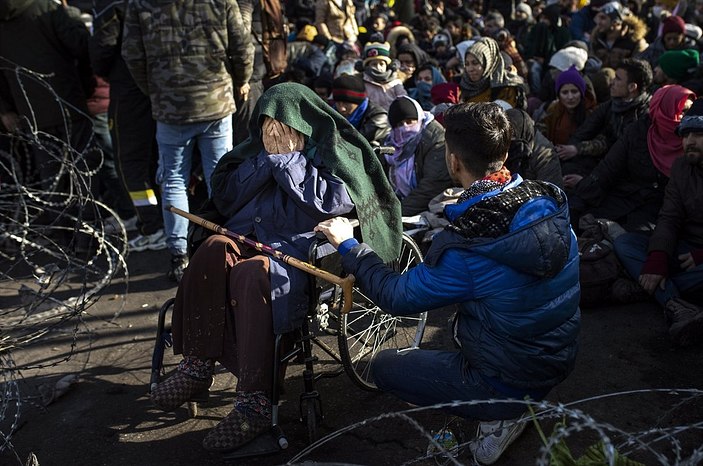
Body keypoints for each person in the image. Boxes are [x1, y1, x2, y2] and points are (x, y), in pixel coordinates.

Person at [315, 102, 580, 466]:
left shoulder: (471, 243)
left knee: (384, 367)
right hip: (556, 360)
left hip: (507, 379)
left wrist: (349, 245)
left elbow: (397, 296)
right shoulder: (548, 201)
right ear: (503, 155)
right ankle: (515, 399)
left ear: (453, 162)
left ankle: (500, 415)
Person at [149, 83, 402, 452]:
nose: (272, 131)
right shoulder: (252, 153)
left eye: (280, 123)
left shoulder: (333, 154)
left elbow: (332, 204)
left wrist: (289, 160)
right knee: (212, 249)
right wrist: (266, 159)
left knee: (252, 275)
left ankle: (255, 401)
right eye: (266, 122)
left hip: (293, 252)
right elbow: (227, 197)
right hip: (243, 239)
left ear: (303, 123)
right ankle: (197, 366)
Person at [122, 0, 254, 281]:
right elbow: (242, 45)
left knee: (172, 179)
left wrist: (155, 89)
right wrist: (242, 79)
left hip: (170, 107)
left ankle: (179, 254)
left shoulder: (140, 4)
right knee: (220, 175)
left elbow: (132, 54)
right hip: (216, 100)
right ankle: (226, 244)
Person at [614, 98, 703, 346]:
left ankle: (651, 288)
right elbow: (669, 217)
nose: (689, 142)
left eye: (697, 134)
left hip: (699, 259)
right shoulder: (682, 168)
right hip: (683, 249)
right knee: (626, 244)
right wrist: (658, 257)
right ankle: (677, 304)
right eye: (685, 135)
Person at [566, 84, 696, 233]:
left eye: (690, 112)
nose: (687, 118)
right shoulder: (638, 132)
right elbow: (607, 170)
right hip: (624, 201)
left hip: (661, 219)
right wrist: (578, 200)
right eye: (682, 111)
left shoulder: (694, 144)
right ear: (664, 110)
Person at [90, 0, 166, 251]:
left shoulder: (112, 6)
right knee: (160, 157)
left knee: (130, 162)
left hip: (129, 87)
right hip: (163, 86)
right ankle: (165, 223)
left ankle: (152, 226)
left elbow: (102, 48)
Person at [558, 58, 653, 178]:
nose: (611, 82)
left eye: (617, 78)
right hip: (602, 165)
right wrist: (571, 149)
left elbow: (623, 158)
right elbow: (584, 131)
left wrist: (587, 180)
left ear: (632, 87)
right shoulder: (610, 105)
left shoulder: (644, 117)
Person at [384, 95, 453, 216]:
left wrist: (397, 214)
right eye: (399, 124)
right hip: (401, 203)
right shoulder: (390, 145)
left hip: (429, 206)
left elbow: (432, 186)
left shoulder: (435, 140)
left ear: (419, 118)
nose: (405, 127)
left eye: (410, 121)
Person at [536, 65, 597, 148]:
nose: (570, 97)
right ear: (559, 95)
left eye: (574, 91)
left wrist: (577, 149)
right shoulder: (553, 110)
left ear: (581, 93)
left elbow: (602, 141)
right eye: (565, 93)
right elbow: (539, 133)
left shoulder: (593, 113)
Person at [459, 37, 527, 109]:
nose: (470, 69)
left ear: (488, 63)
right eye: (467, 64)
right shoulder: (464, 85)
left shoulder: (506, 87)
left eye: (475, 63)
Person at [331, 74, 391, 147]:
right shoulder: (332, 112)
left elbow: (353, 142)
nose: (341, 108)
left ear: (358, 103)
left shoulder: (379, 118)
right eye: (338, 103)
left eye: (346, 103)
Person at [589, 1, 648, 69]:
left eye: (603, 18)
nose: (599, 22)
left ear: (615, 22)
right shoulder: (596, 40)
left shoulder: (634, 42)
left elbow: (637, 70)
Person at [360, 41, 407, 111]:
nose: (378, 67)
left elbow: (404, 101)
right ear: (367, 66)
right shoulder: (363, 82)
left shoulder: (395, 82)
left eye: (381, 64)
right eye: (374, 64)